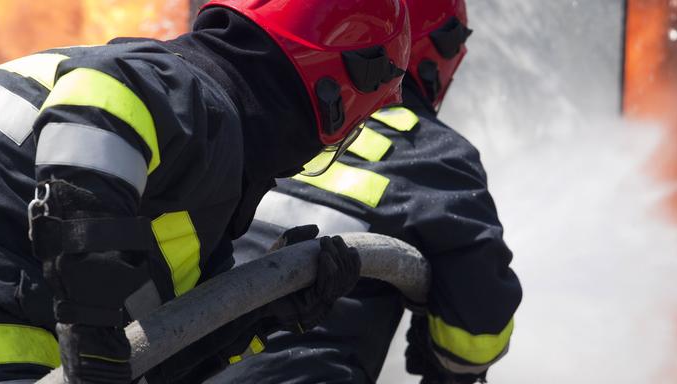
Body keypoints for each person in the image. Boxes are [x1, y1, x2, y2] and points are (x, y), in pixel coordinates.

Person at [0, 0, 411, 382]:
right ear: (340, 88)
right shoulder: (189, 93)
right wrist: (90, 318)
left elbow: (156, 353)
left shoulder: (188, 164)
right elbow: (103, 102)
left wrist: (264, 311)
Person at [208, 0, 522, 383]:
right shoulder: (432, 154)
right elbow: (475, 336)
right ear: (439, 47)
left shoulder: (259, 119)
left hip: (165, 360)